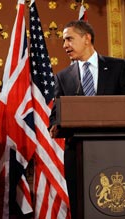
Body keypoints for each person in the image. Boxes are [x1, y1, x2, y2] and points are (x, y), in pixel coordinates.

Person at [49, 20, 125, 219]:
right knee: (81, 204)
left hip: (117, 150)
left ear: (86, 38)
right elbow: (56, 112)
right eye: (64, 40)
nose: (65, 45)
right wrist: (54, 125)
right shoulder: (63, 77)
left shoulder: (119, 67)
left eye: (69, 39)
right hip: (77, 152)